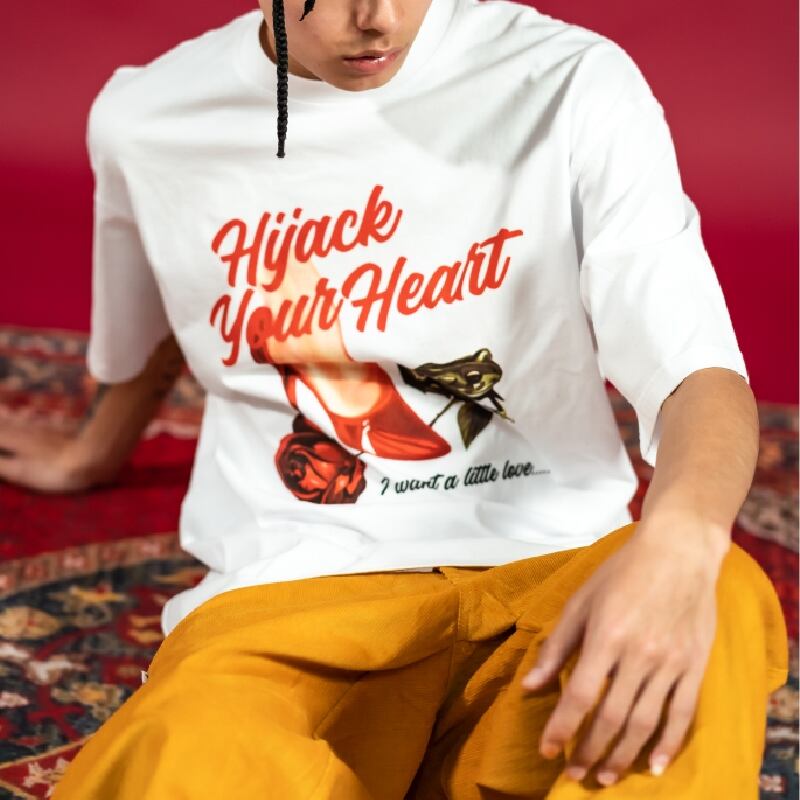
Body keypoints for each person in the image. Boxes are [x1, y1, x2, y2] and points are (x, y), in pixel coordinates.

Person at [0, 0, 788, 796]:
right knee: (184, 755)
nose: (376, 18)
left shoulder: (568, 80)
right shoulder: (149, 119)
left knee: (717, 593)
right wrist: (93, 450)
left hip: (552, 576)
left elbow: (695, 368)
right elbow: (174, 297)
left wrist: (683, 538)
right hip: (292, 597)